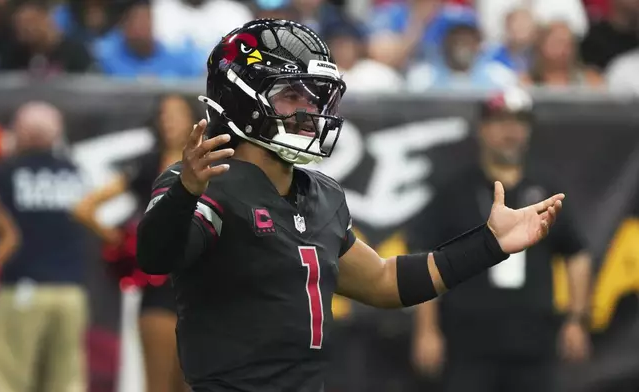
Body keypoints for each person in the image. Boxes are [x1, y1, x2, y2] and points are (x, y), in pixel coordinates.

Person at [136, 19, 565, 392]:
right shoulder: (206, 182)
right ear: (241, 97)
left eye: (315, 98)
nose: (310, 111)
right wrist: (186, 193)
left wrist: (489, 244)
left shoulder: (320, 193)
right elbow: (157, 256)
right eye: (292, 96)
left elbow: (383, 281)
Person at [409, 88, 593, 392]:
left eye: (520, 121)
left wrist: (576, 319)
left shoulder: (546, 189)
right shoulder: (455, 191)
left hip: (533, 344)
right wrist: (426, 330)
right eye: (502, 121)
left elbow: (577, 253)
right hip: (467, 344)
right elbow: (425, 259)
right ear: (482, 128)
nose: (511, 131)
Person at [73, 94, 194, 392]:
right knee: (158, 384)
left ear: (194, 118)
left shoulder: (216, 163)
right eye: (163, 115)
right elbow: (84, 208)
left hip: (202, 287)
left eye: (176, 114)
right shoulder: (147, 165)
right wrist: (122, 240)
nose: (168, 121)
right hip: (160, 289)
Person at [0, 101, 88, 392]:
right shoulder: (74, 171)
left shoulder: (6, 171)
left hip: (24, 289)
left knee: (10, 378)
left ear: (21, 132)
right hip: (71, 292)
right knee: (66, 381)